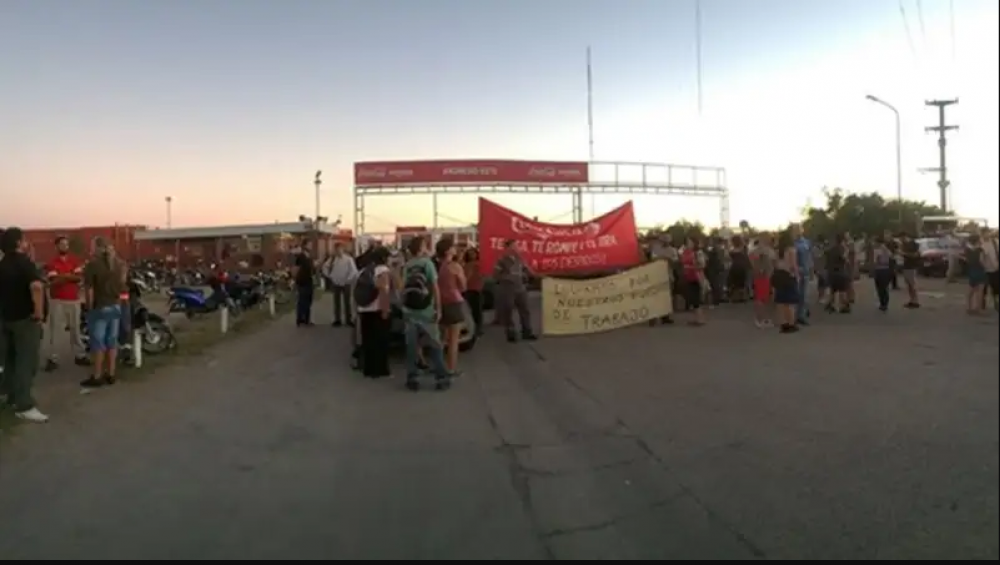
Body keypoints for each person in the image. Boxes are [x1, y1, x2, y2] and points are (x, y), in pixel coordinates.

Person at [0, 228, 49, 423]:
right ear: (18, 243)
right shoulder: (24, 263)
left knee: (11, 360)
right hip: (25, 320)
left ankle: (11, 397)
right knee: (26, 362)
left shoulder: (2, 264)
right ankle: (24, 405)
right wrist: (38, 312)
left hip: (6, 319)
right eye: (24, 240)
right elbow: (36, 287)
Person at [401, 236, 452, 391]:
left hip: (410, 312)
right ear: (421, 248)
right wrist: (439, 308)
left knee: (412, 347)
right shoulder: (427, 264)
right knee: (435, 345)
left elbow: (403, 288)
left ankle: (412, 378)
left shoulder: (407, 265)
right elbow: (435, 287)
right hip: (426, 311)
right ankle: (441, 377)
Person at [81, 237, 127, 391]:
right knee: (112, 340)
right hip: (115, 306)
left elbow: (89, 289)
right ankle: (111, 374)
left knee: (98, 342)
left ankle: (97, 375)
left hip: (100, 307)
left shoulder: (92, 265)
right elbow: (122, 286)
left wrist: (89, 308)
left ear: (97, 248)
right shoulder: (120, 264)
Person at [44, 236, 89, 370]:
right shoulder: (51, 262)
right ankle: (53, 358)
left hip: (73, 299)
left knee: (75, 328)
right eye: (62, 244)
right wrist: (69, 276)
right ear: (56, 246)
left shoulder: (74, 260)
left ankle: (80, 355)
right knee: (55, 330)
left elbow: (79, 278)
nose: (65, 246)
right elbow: (53, 281)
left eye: (66, 244)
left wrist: (62, 276)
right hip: (57, 300)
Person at [355, 247, 392, 379]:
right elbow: (384, 290)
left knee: (368, 340)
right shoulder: (383, 270)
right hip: (377, 309)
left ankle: (369, 369)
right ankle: (381, 370)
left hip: (364, 309)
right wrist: (385, 309)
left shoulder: (364, 270)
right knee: (380, 341)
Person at [493, 239, 538, 343]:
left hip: (520, 288)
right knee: (508, 311)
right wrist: (509, 277)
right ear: (508, 248)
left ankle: (527, 331)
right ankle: (511, 333)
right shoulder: (501, 260)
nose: (516, 248)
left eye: (517, 246)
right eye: (514, 246)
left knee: (525, 310)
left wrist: (536, 275)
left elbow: (528, 270)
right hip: (507, 289)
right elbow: (496, 275)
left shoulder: (520, 259)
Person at [435, 239, 467, 375]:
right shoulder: (455, 266)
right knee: (453, 340)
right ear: (448, 250)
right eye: (453, 247)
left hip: (441, 303)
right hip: (454, 302)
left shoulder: (439, 266)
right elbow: (463, 286)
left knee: (442, 338)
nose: (455, 249)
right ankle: (451, 369)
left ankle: (439, 366)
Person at [324, 243, 358, 327]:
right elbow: (325, 267)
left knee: (347, 302)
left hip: (346, 283)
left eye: (339, 249)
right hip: (336, 283)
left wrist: (348, 279)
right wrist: (330, 276)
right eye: (336, 249)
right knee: (337, 302)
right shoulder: (332, 259)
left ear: (343, 249)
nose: (338, 251)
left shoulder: (348, 259)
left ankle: (348, 319)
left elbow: (353, 270)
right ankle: (337, 319)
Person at [773, 232, 801, 334]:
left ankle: (783, 323)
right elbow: (793, 265)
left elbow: (775, 264)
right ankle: (791, 323)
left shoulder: (778, 251)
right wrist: (797, 276)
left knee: (781, 301)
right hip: (788, 275)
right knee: (790, 302)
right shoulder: (791, 250)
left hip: (779, 275)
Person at [647, 235, 677, 325]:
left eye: (667, 240)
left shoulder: (672, 250)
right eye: (663, 240)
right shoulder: (655, 249)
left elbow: (675, 261)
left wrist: (666, 259)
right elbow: (653, 259)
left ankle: (665, 317)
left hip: (668, 275)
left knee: (666, 297)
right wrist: (664, 258)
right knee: (656, 296)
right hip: (656, 275)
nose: (665, 241)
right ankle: (653, 317)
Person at [680, 235, 707, 326]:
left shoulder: (698, 253)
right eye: (687, 242)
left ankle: (700, 319)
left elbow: (702, 265)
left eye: (690, 242)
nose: (688, 244)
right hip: (688, 277)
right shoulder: (685, 252)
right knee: (692, 298)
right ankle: (697, 318)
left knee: (696, 298)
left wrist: (690, 267)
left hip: (696, 277)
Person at [750, 233, 776, 328]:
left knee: (766, 299)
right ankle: (760, 319)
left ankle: (764, 318)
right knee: (761, 299)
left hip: (766, 276)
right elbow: (755, 262)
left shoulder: (763, 250)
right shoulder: (762, 251)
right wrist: (761, 269)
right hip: (763, 277)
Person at [791, 224, 812, 326]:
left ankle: (801, 316)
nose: (798, 231)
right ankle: (793, 317)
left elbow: (809, 256)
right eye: (795, 230)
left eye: (799, 229)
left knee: (804, 295)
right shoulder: (792, 243)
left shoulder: (807, 242)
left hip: (805, 270)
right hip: (796, 271)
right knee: (796, 294)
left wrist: (811, 268)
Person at [825, 234, 851, 314]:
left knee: (833, 290)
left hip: (831, 272)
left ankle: (830, 305)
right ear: (842, 241)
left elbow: (827, 261)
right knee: (842, 290)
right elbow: (844, 259)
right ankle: (845, 306)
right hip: (840, 272)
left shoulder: (831, 249)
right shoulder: (842, 249)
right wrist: (847, 252)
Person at [962, 234, 987, 316]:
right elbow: (981, 261)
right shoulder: (980, 250)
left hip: (971, 271)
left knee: (970, 291)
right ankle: (978, 309)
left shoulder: (967, 250)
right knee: (980, 291)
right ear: (977, 241)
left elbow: (966, 260)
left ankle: (968, 307)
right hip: (979, 271)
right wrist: (985, 267)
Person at [462, 247, 486, 336]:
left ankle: (478, 328)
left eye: (473, 253)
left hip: (476, 289)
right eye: (470, 253)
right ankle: (473, 328)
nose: (472, 255)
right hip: (468, 289)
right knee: (470, 310)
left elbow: (483, 275)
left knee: (477, 310)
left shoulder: (478, 264)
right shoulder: (466, 265)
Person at [292, 240, 315, 327]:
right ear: (305, 245)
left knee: (308, 300)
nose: (311, 246)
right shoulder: (301, 256)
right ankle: (300, 319)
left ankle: (306, 319)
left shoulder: (309, 256)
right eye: (309, 244)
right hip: (302, 281)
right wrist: (295, 279)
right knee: (302, 300)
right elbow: (296, 268)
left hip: (309, 280)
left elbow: (311, 267)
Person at [899, 233, 922, 309]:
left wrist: (904, 254)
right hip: (906, 266)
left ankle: (916, 301)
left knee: (912, 284)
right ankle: (912, 300)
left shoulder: (913, 244)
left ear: (905, 237)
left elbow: (915, 255)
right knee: (909, 285)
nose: (901, 240)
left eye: (902, 238)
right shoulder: (904, 245)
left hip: (911, 266)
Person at [871, 236, 894, 312]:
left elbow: (875, 261)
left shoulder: (878, 250)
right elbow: (891, 256)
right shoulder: (886, 249)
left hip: (880, 269)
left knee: (880, 288)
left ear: (878, 242)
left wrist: (873, 270)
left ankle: (883, 303)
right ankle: (884, 303)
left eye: (874, 242)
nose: (874, 243)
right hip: (885, 269)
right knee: (883, 287)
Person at [728, 235, 751, 303]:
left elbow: (729, 258)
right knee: (742, 282)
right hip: (742, 267)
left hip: (734, 266)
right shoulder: (744, 249)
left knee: (735, 283)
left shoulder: (732, 250)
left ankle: (736, 297)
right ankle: (742, 297)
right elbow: (747, 258)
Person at [982, 229, 999, 311]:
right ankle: (983, 303)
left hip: (996, 269)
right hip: (985, 270)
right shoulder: (981, 244)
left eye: (988, 233)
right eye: (985, 233)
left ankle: (996, 303)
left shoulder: (995, 242)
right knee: (984, 288)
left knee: (996, 287)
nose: (987, 235)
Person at [812, 236, 829, 305]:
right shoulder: (816, 248)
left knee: (822, 282)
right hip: (819, 267)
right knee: (822, 282)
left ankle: (821, 296)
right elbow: (817, 258)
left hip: (823, 267)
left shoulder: (821, 247)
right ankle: (821, 297)